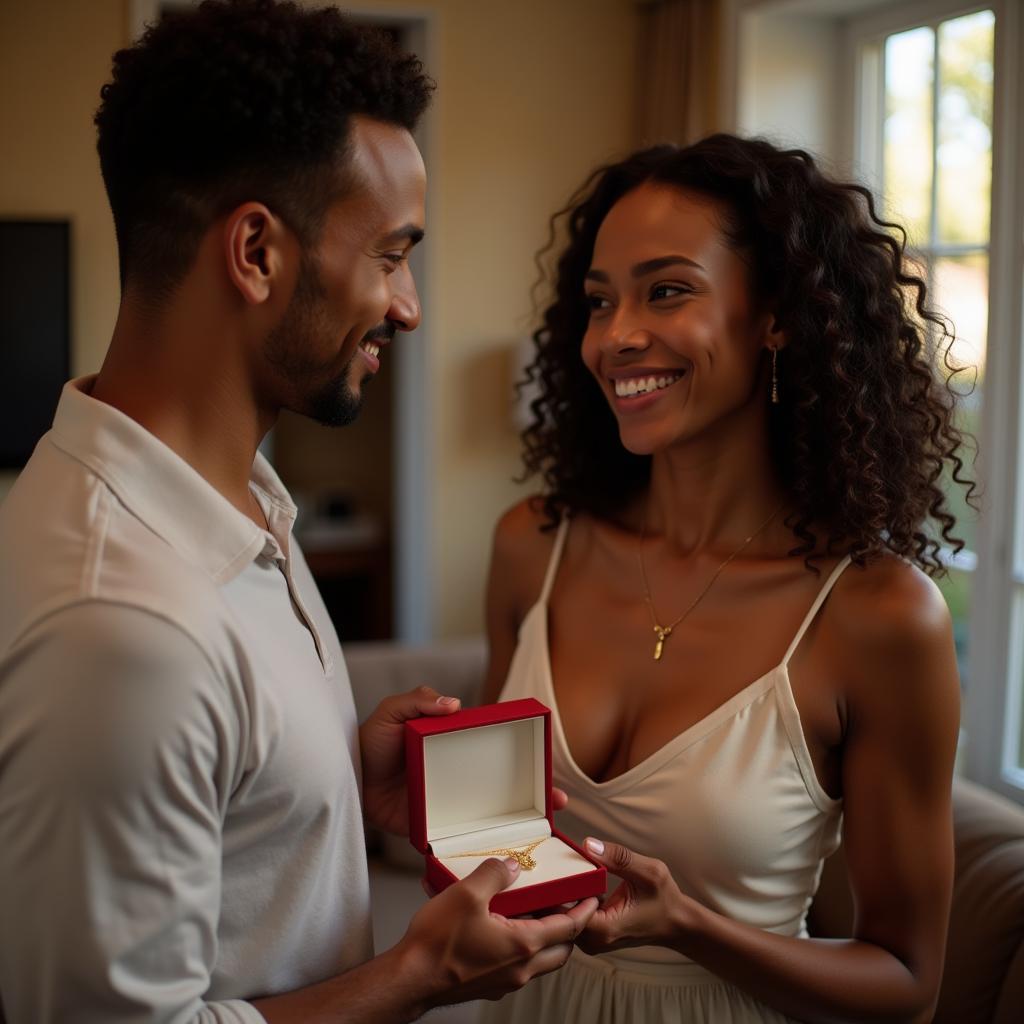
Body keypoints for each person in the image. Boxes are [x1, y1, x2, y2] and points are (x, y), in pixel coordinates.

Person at [0, 2, 596, 1021]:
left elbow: (203, 767)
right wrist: (421, 974)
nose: (408, 303)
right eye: (390, 252)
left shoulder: (237, 492)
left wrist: (319, 772)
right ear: (258, 253)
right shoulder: (123, 626)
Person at [480, 134, 971, 1023]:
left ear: (777, 313)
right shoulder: (532, 547)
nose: (618, 336)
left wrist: (691, 927)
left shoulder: (878, 617)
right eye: (599, 301)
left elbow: (909, 984)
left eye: (667, 290)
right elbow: (501, 844)